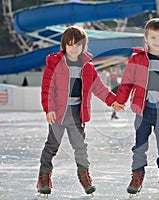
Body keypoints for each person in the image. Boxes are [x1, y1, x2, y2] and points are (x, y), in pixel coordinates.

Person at [37, 26, 116, 197]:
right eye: (70, 45)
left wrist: (113, 101)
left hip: (76, 114)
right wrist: (49, 108)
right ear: (64, 45)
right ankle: (43, 177)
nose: (74, 49)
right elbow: (47, 89)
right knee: (52, 146)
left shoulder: (87, 67)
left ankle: (84, 175)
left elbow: (99, 88)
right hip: (58, 113)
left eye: (78, 45)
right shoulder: (55, 64)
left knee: (80, 147)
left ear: (83, 46)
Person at [113, 18, 159, 196]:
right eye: (153, 38)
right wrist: (120, 101)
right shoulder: (137, 59)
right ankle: (137, 175)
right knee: (140, 146)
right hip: (143, 110)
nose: (157, 41)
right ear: (146, 38)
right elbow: (126, 83)